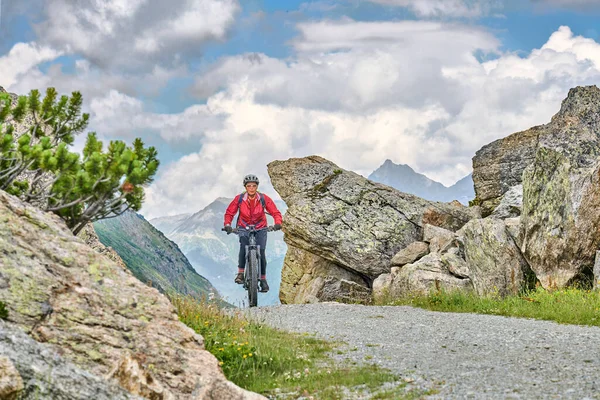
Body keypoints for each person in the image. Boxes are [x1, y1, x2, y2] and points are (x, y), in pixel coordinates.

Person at [223, 174, 282, 293]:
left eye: (254, 186)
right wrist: (228, 225)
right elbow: (230, 212)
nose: (251, 188)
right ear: (245, 187)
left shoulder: (263, 198)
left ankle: (263, 279)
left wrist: (277, 223)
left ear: (257, 187)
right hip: (243, 227)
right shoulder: (239, 199)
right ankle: (240, 273)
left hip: (260, 227)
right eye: (249, 186)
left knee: (261, 252)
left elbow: (275, 212)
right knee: (243, 248)